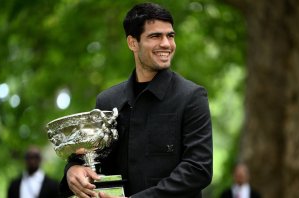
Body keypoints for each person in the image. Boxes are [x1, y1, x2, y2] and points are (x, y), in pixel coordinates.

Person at [60, 2, 213, 198]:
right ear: (133, 43)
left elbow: (198, 170)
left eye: (170, 35)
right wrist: (72, 170)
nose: (166, 44)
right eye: (155, 36)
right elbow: (90, 157)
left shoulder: (192, 97)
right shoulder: (108, 101)